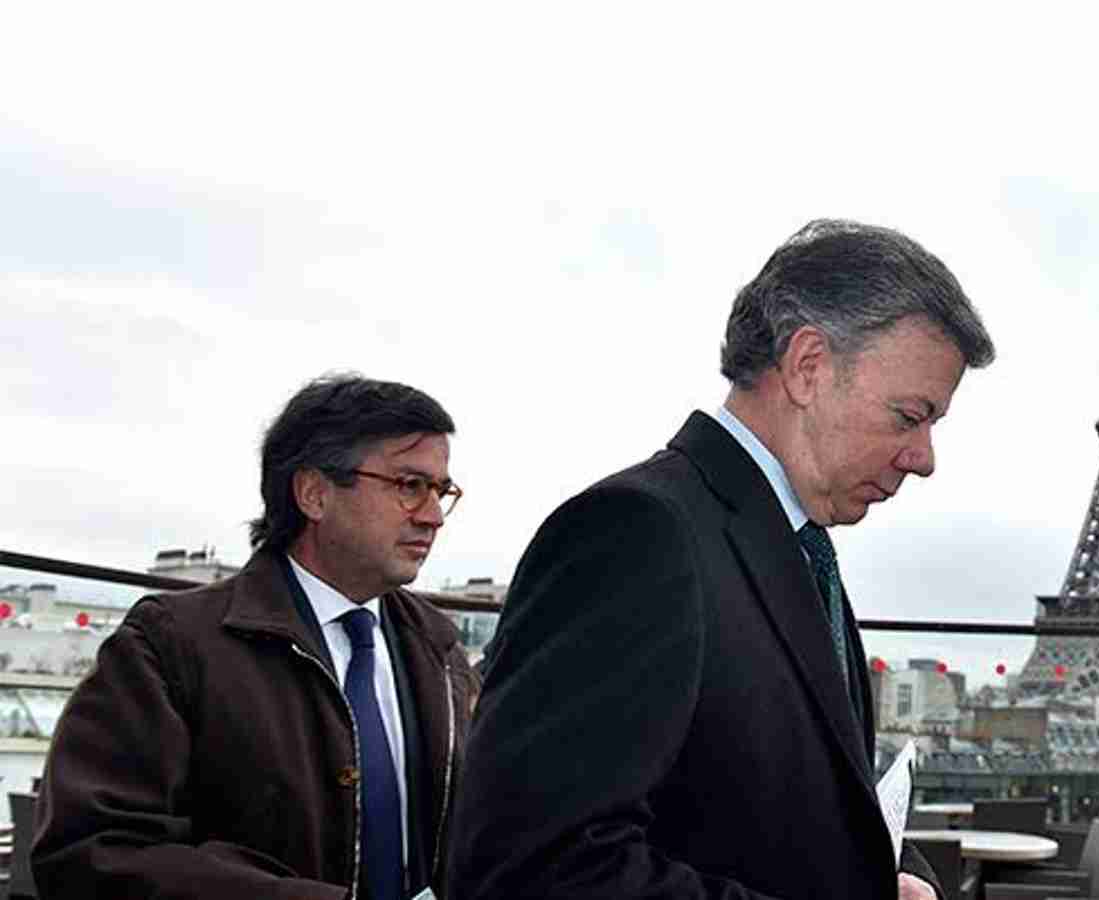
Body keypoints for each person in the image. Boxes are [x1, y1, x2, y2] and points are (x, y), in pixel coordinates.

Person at [448, 219, 995, 899]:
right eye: (909, 416)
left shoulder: (791, 546)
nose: (925, 458)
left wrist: (894, 878)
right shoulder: (635, 535)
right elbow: (531, 869)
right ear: (808, 366)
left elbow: (783, 803)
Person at [34, 374, 481, 900]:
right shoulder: (168, 646)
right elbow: (93, 852)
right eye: (409, 486)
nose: (433, 517)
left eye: (440, 491)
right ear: (314, 493)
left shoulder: (441, 652)